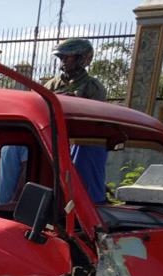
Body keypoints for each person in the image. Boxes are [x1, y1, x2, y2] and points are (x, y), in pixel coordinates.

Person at [44, 38, 109, 204]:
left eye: (68, 57)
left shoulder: (93, 88)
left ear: (82, 59)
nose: (63, 61)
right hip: (53, 142)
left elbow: (93, 124)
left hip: (81, 145)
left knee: (83, 189)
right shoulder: (51, 85)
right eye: (61, 58)